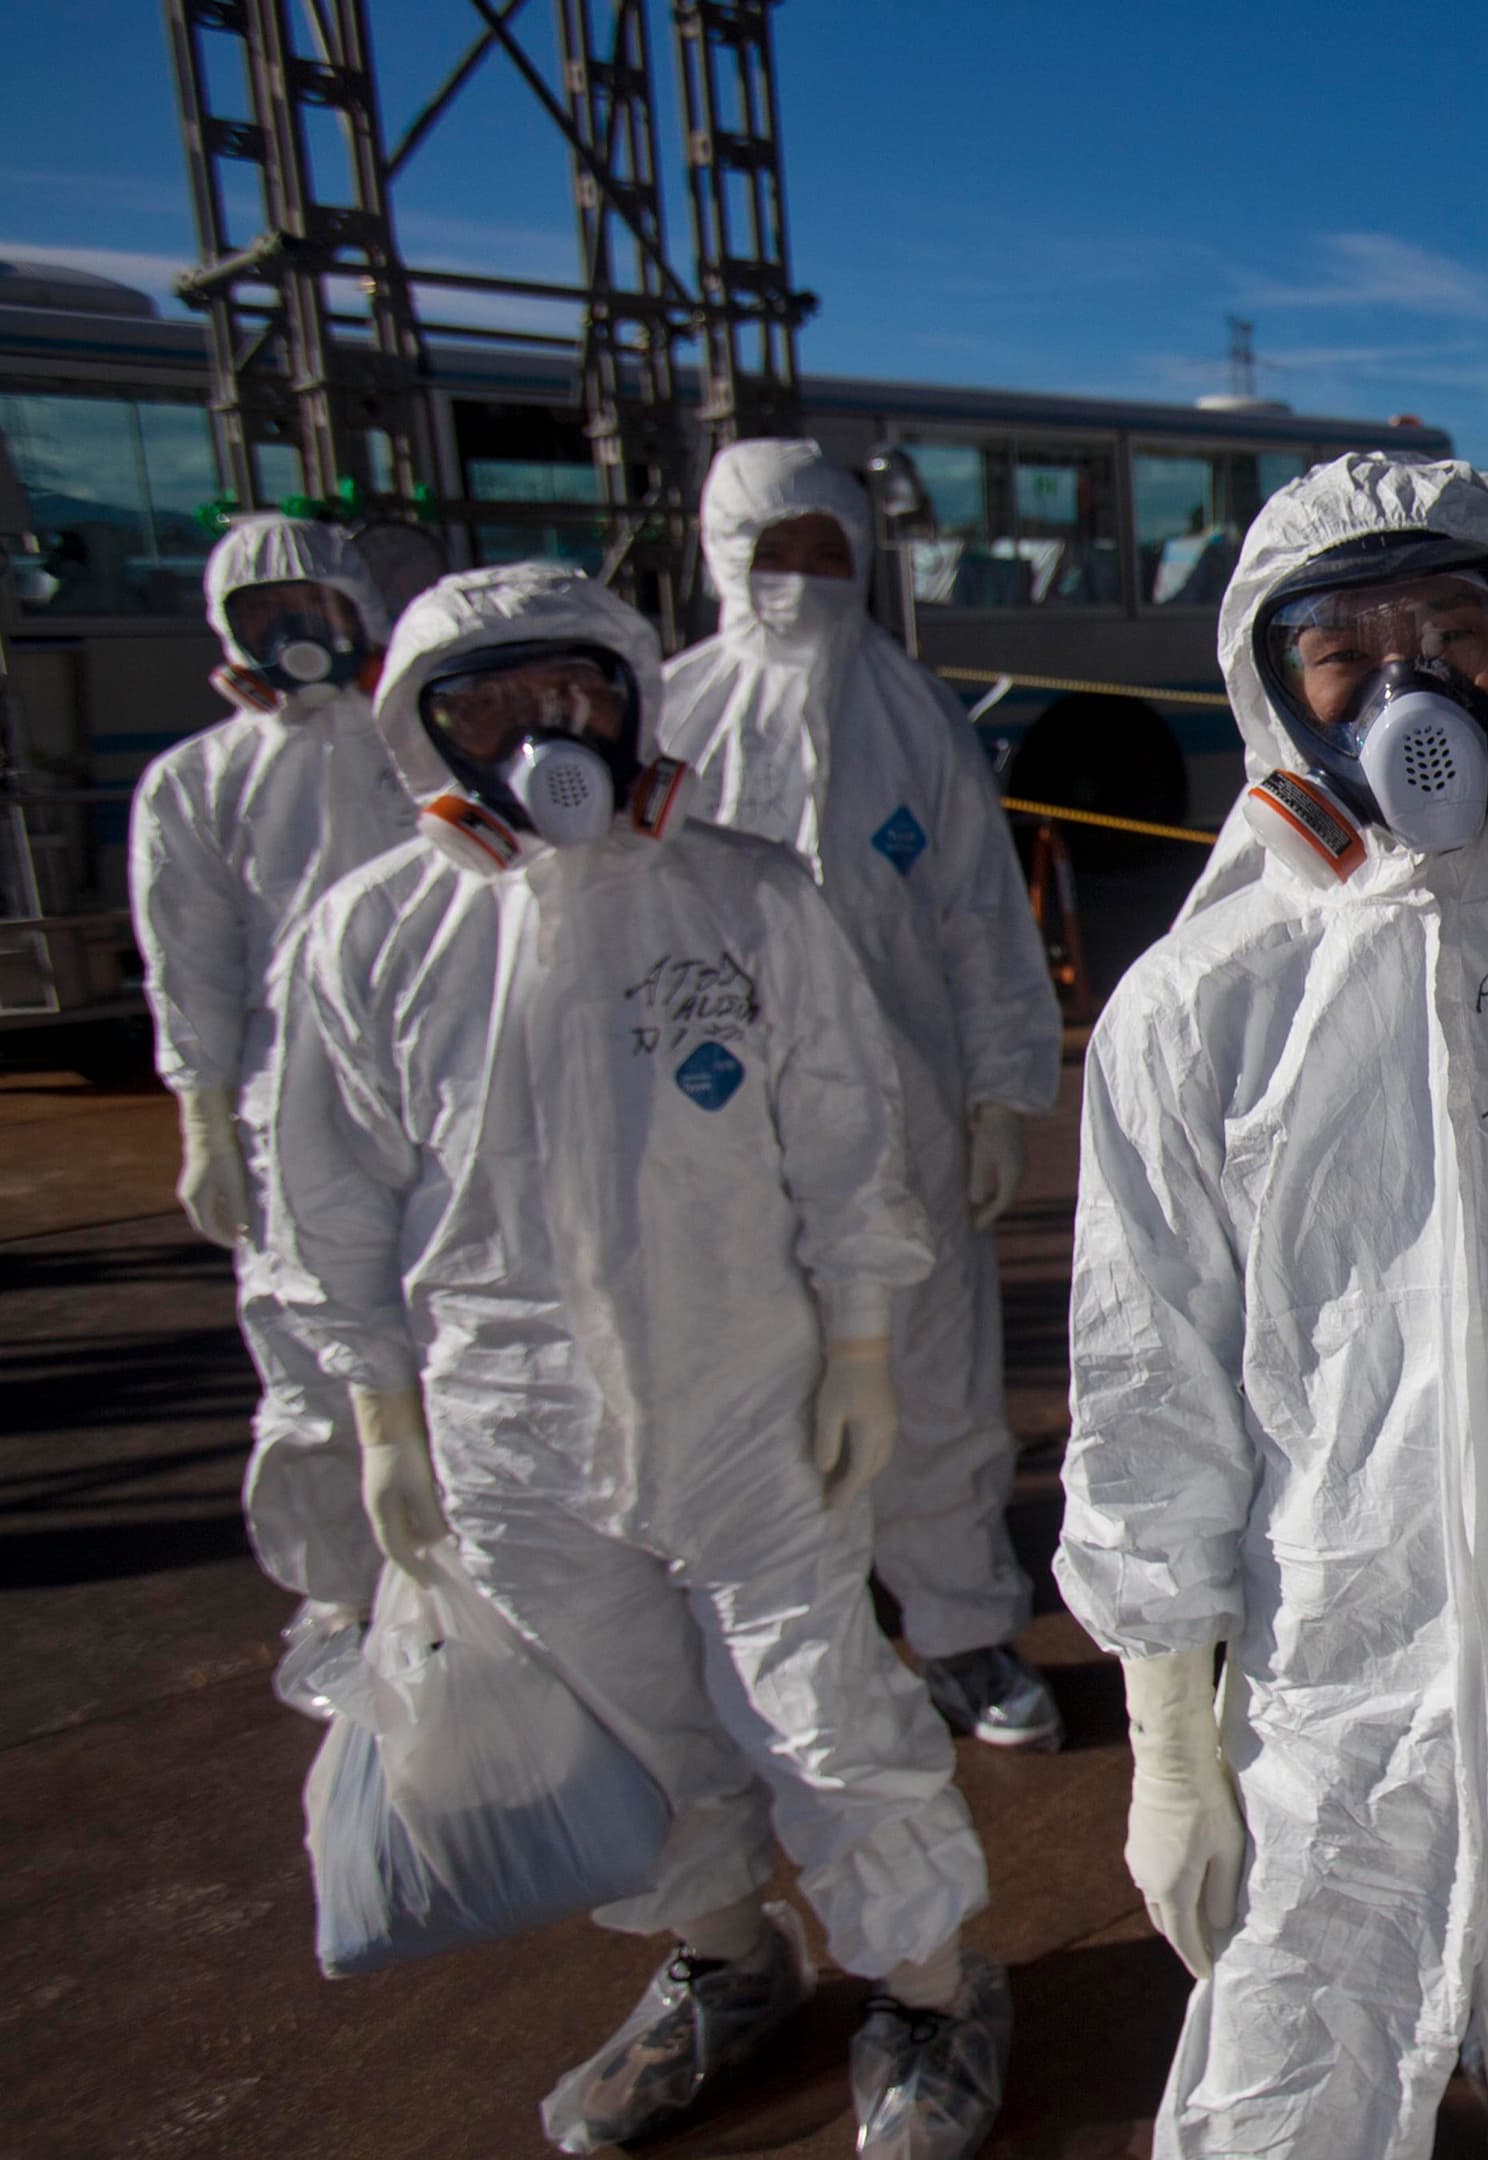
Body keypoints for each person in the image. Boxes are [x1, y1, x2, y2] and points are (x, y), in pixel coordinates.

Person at [264, 560, 1012, 2159]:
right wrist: (382, 1417)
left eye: (578, 695)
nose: (549, 734)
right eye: (493, 707)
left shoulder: (747, 897)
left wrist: (862, 1346)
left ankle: (935, 1989)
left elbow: (843, 1134)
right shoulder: (373, 935)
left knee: (817, 1713)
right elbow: (327, 1197)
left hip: (749, 1403)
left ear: (631, 701)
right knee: (631, 1732)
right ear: (425, 738)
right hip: (510, 1431)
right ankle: (729, 1966)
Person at [1058, 454, 1488, 2159]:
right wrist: (1167, 1746)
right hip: (1336, 1678)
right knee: (1290, 2085)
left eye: (1452, 628)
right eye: (1342, 647)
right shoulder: (1202, 1006)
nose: (1406, 682)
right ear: (1272, 689)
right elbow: (1154, 1392)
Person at [660, 438, 1068, 1752]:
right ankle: (798, 1650)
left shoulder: (914, 717)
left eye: (826, 554)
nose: (801, 580)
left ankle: (958, 1628)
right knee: (748, 1387)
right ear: (724, 558)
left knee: (936, 1380)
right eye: (774, 554)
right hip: (720, 1136)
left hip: (901, 1122)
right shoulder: (666, 719)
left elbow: (977, 919)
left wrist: (1000, 1095)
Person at [127, 516, 410, 1661]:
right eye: (265, 617)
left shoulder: (423, 747)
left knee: (478, 1352)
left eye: (318, 608)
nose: (298, 635)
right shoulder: (198, 782)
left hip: (443, 1102)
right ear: (227, 636)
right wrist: (202, 1116)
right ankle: (341, 1591)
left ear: (363, 614)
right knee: (309, 1367)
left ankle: (490, 1581)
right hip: (287, 1116)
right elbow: (187, 964)